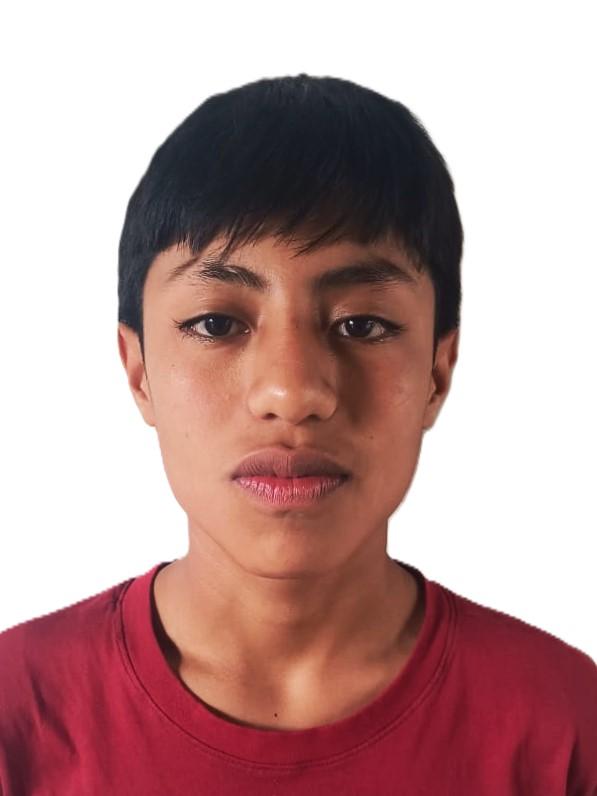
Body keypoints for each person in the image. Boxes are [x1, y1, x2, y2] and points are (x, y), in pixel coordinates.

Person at [0, 73, 595, 795]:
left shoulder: (563, 726)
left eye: (362, 324)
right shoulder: (18, 713)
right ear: (139, 371)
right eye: (216, 323)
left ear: (438, 372)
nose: (292, 392)